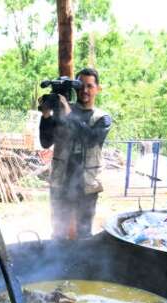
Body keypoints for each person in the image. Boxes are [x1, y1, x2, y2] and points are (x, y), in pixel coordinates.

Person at [39, 68, 112, 240]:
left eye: (89, 86)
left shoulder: (102, 118)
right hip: (61, 181)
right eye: (80, 86)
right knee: (58, 232)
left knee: (84, 233)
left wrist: (69, 113)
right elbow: (46, 142)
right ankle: (56, 264)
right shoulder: (62, 111)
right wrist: (46, 115)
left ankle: (83, 265)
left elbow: (90, 139)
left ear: (97, 89)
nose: (84, 90)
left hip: (87, 184)